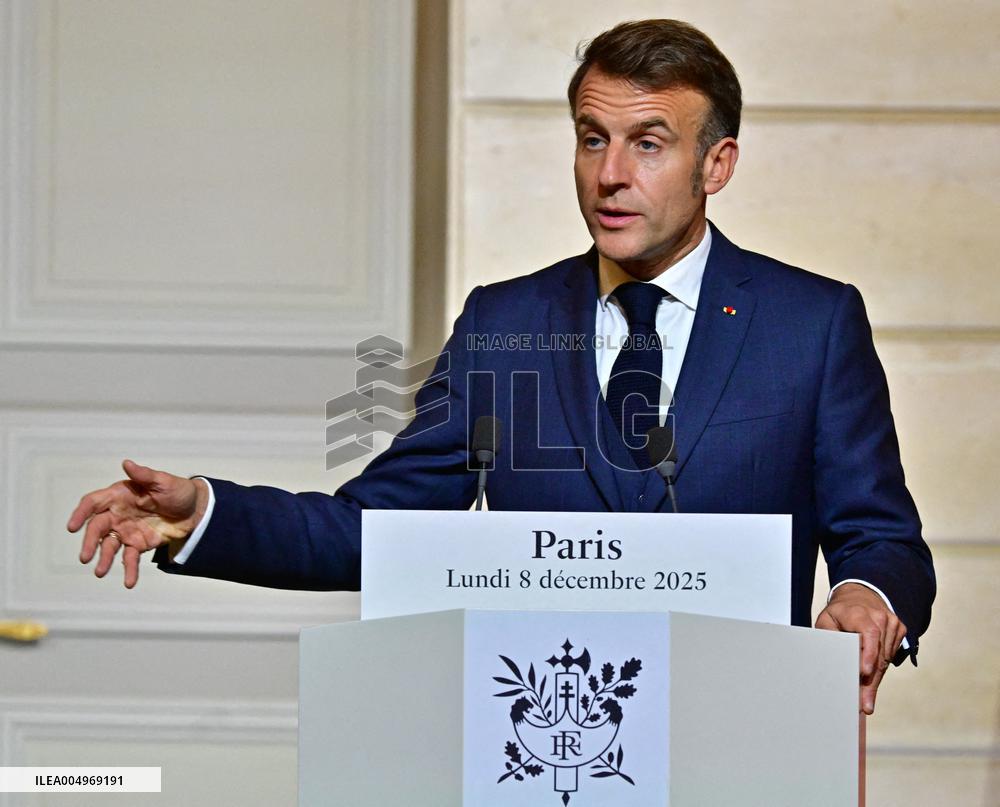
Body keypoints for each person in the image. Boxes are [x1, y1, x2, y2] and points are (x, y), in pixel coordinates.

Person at [66, 19, 934, 715]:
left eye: (648, 143)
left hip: (745, 736)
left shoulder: (813, 323)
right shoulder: (502, 321)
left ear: (718, 163)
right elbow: (382, 527)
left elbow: (882, 534)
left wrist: (864, 597)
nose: (611, 175)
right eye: (593, 140)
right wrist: (204, 516)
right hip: (543, 742)